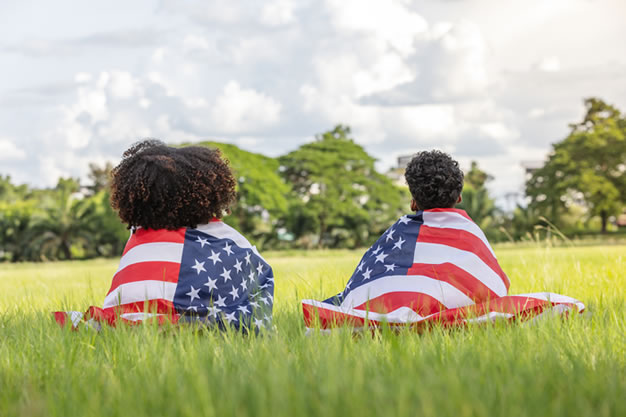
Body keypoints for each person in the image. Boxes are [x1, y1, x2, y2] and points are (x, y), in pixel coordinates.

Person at [302, 150, 584, 330]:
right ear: (459, 197)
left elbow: (363, 283)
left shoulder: (395, 233)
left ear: (413, 201)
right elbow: (496, 288)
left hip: (383, 315)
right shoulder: (470, 233)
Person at [55, 140, 274, 331]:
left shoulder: (138, 238)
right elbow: (258, 288)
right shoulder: (226, 240)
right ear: (210, 193)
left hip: (125, 326)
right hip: (192, 328)